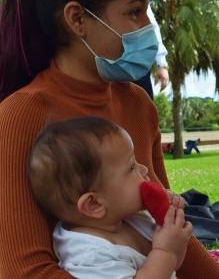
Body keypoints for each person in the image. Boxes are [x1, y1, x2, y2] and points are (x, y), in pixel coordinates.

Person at [0, 0, 219, 277]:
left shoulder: (138, 103)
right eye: (135, 11)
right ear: (78, 19)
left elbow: (166, 227)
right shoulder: (19, 115)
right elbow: (26, 271)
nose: (149, 27)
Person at [28, 117, 192, 279]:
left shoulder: (133, 218)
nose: (144, 169)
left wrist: (171, 229)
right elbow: (167, 257)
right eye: (131, 167)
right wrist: (165, 251)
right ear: (94, 204)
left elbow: (172, 266)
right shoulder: (90, 254)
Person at [133, 8, 170, 100]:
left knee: (144, 109)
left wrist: (161, 63)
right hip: (104, 65)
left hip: (137, 63)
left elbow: (151, 28)